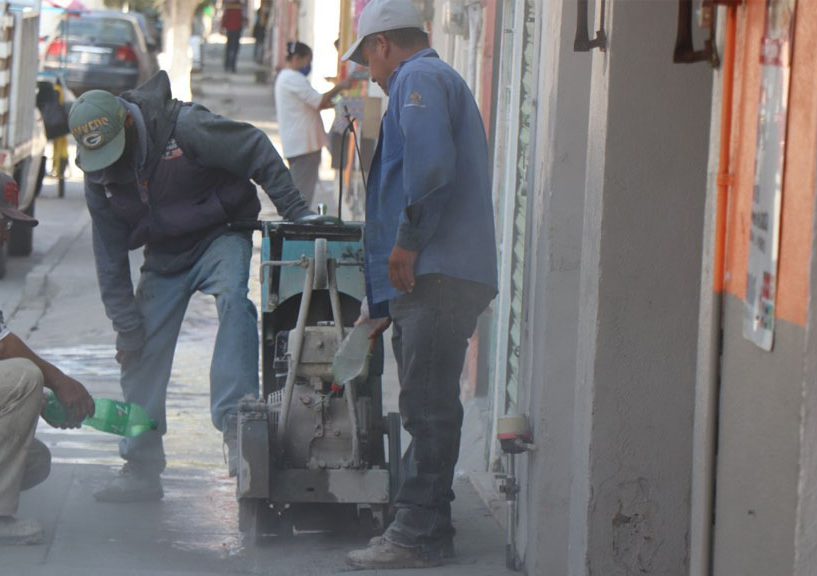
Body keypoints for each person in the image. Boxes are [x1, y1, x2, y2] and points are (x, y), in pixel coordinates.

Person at [68, 72, 313, 502]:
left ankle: (238, 422)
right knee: (139, 349)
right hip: (164, 252)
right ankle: (141, 467)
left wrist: (296, 212)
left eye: (113, 154)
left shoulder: (187, 128)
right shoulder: (99, 171)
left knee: (235, 301)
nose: (110, 168)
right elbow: (109, 257)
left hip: (220, 233)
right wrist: (126, 327)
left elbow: (255, 146)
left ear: (127, 123)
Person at [340, 0, 498, 569]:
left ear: (383, 44)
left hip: (438, 273)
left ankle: (417, 534)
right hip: (429, 277)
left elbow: (431, 172)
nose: (370, 74)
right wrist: (382, 302)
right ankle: (424, 525)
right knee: (425, 404)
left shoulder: (420, 78)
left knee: (428, 408)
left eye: (368, 60)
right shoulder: (424, 79)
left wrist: (407, 245)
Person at [0, 169, 95, 545]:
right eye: (4, 223)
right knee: (25, 375)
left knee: (33, 459)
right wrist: (58, 381)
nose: (7, 236)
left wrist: (38, 401)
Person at [273, 41, 353, 207]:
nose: (308, 65)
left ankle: (295, 227)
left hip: (301, 144)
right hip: (303, 146)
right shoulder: (292, 78)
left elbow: (320, 103)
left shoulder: (287, 78)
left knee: (301, 193)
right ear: (296, 58)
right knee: (301, 197)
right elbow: (319, 102)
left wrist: (338, 98)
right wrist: (340, 86)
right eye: (307, 61)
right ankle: (296, 229)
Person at [221, 0, 244, 73]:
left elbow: (225, 18)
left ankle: (227, 65)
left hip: (230, 30)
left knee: (229, 48)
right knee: (235, 48)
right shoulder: (239, 7)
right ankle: (232, 66)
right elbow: (241, 20)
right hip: (236, 30)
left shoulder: (228, 7)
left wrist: (223, 27)